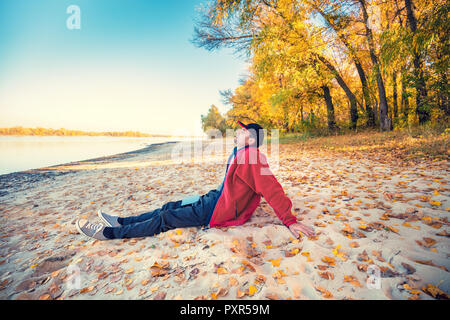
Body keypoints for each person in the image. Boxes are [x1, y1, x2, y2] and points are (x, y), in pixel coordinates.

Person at [76, 121, 315, 240]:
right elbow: (232, 187)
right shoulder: (239, 153)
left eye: (241, 131)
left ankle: (110, 234)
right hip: (211, 198)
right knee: (169, 206)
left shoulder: (252, 157)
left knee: (165, 218)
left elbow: (272, 189)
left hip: (215, 210)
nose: (236, 132)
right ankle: (120, 221)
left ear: (251, 139)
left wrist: (289, 220)